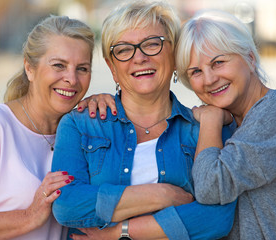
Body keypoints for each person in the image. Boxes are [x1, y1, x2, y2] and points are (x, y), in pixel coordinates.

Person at [51, 1, 236, 240]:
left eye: (152, 44)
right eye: (124, 50)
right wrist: (161, 196)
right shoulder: (81, 124)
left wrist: (121, 232)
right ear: (112, 66)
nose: (139, 58)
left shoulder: (206, 128)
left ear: (174, 54)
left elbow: (218, 218)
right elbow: (66, 205)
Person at [175, 9, 276, 239]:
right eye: (196, 72)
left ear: (250, 58)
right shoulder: (233, 122)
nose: (210, 79)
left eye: (218, 62)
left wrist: (210, 120)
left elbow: (210, 186)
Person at [0, 15, 95, 239]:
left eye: (82, 68)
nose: (72, 79)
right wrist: (29, 216)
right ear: (30, 68)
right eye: (59, 65)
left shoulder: (82, 131)